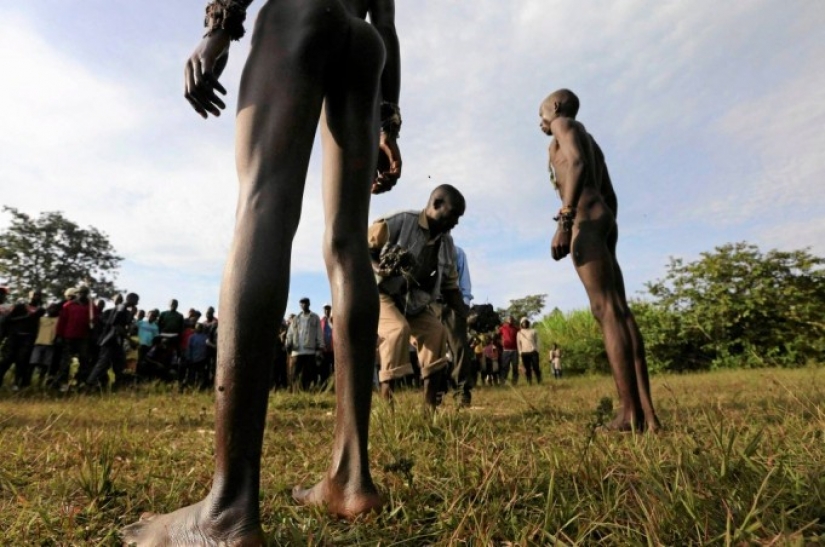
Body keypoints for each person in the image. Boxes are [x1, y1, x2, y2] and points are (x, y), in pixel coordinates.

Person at [121, 0, 401, 543]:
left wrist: (219, 29)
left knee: (263, 208)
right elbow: (386, 24)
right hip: (365, 43)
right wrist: (388, 118)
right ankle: (350, 476)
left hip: (300, 14)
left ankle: (227, 508)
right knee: (347, 245)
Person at [539, 88, 659, 431]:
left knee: (605, 311)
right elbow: (609, 192)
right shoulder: (590, 139)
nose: (542, 122)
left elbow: (575, 163)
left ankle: (628, 414)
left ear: (557, 107)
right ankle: (647, 415)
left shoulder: (565, 125)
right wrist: (606, 223)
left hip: (585, 223)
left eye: (542, 113)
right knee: (619, 310)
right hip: (602, 220)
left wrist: (567, 221)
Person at [369, 184, 468, 407]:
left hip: (412, 301)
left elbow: (451, 288)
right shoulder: (400, 221)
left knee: (436, 332)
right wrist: (381, 268)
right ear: (436, 205)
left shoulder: (447, 244)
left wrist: (467, 314)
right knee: (397, 330)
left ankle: (430, 408)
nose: (456, 222)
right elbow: (361, 248)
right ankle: (387, 407)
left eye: (459, 217)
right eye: (453, 214)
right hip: (381, 293)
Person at [440, 244, 474, 406]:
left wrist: (464, 304)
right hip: (430, 304)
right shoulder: (422, 246)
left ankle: (461, 391)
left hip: (454, 303)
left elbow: (464, 281)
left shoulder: (457, 251)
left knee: (459, 347)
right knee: (432, 349)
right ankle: (436, 390)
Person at [84, 293, 140, 390]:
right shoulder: (121, 308)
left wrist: (131, 314)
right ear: (131, 299)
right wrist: (130, 340)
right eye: (136, 300)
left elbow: (124, 324)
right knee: (102, 364)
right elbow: (116, 326)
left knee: (120, 364)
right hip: (110, 341)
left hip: (116, 342)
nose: (137, 303)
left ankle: (118, 385)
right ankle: (89, 384)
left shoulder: (123, 309)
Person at [54, 286, 98, 391]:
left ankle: (79, 382)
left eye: (84, 293)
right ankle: (62, 383)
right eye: (80, 293)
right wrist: (59, 336)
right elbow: (62, 322)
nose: (82, 295)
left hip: (84, 338)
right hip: (69, 337)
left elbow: (96, 319)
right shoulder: (68, 305)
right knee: (66, 362)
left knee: (84, 361)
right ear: (77, 294)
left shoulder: (92, 307)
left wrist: (93, 323)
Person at [0, 290, 43, 389]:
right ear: (29, 296)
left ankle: (16, 384)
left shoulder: (41, 310)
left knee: (22, 361)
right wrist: (25, 317)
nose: (37, 297)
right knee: (6, 360)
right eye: (35, 295)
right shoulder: (20, 307)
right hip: (14, 337)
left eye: (39, 296)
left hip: (28, 339)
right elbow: (8, 320)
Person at [285, 297, 325, 391]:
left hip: (309, 351)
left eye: (305, 303)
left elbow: (319, 333)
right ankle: (295, 392)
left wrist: (320, 347)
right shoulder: (295, 318)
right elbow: (290, 333)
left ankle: (307, 393)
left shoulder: (315, 317)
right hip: (297, 351)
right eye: (301, 303)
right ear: (300, 305)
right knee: (294, 373)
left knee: (308, 374)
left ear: (309, 304)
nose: (303, 305)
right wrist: (288, 343)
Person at [517, 318, 541, 384]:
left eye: (526, 322)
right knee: (527, 368)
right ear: (521, 324)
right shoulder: (519, 333)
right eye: (523, 322)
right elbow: (518, 344)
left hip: (533, 351)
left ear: (528, 322)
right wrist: (520, 352)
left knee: (536, 367)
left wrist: (537, 350)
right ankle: (529, 381)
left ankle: (539, 379)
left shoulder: (533, 331)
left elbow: (538, 341)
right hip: (524, 353)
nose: (524, 323)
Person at [498, 316, 520, 384]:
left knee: (515, 366)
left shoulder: (516, 329)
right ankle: (503, 381)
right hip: (506, 351)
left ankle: (514, 381)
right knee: (505, 366)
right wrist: (502, 343)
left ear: (513, 320)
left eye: (511, 319)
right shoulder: (502, 328)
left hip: (515, 350)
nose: (510, 320)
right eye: (509, 319)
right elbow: (496, 336)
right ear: (506, 320)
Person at [319, 303, 335, 388]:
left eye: (328, 309)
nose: (326, 310)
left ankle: (334, 387)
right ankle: (324, 388)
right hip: (324, 351)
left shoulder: (334, 320)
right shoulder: (321, 321)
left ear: (330, 310)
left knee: (334, 370)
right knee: (324, 371)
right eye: (325, 309)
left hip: (333, 351)